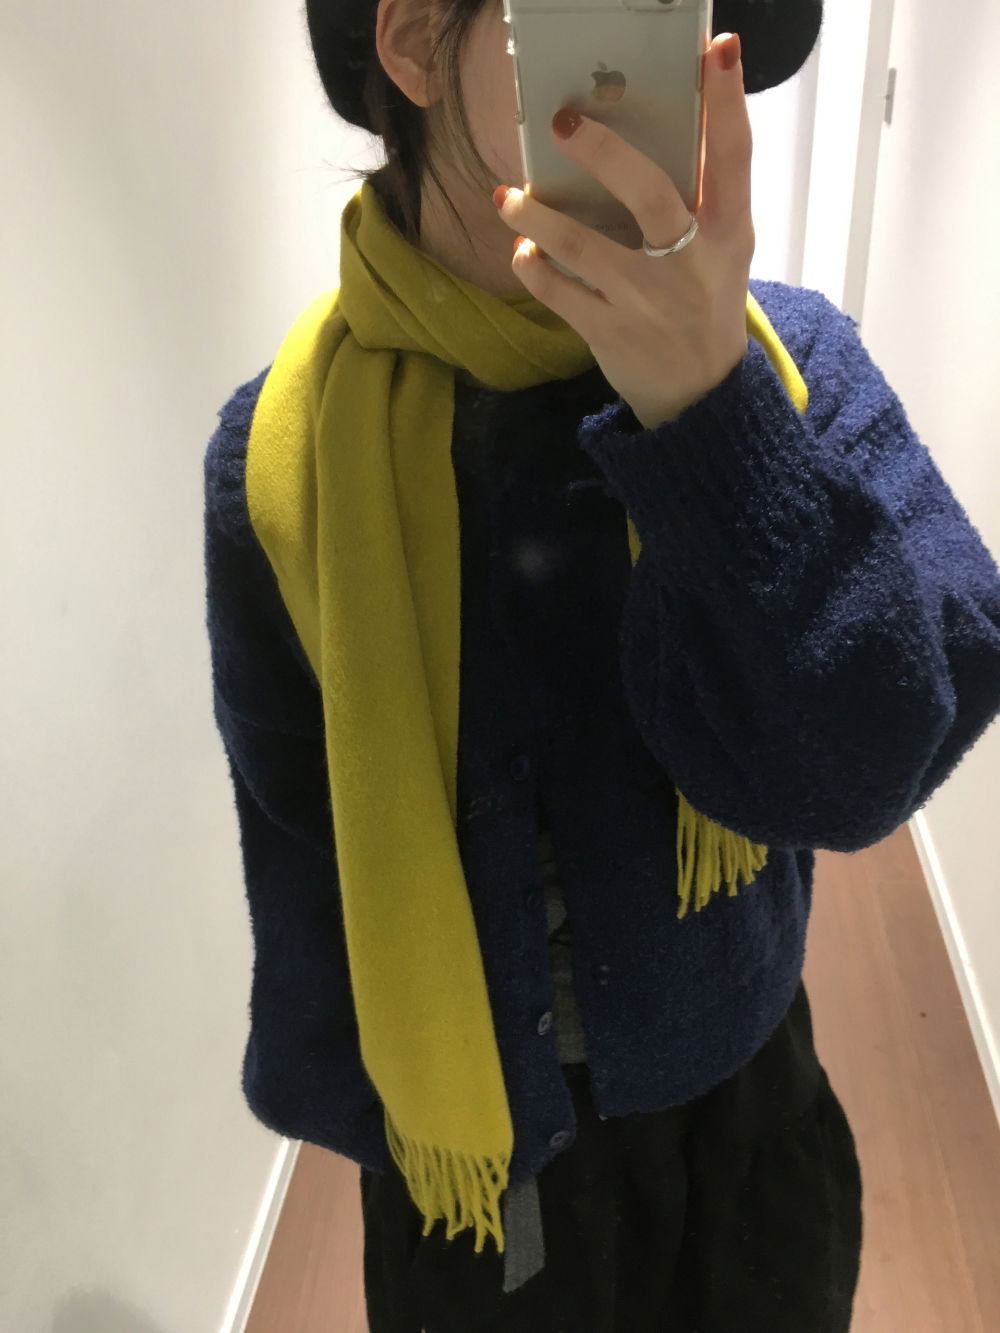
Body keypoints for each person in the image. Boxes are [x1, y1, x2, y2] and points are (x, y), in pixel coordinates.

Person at [202, 2, 1000, 1329]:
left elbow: (866, 769)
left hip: (740, 1124)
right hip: (475, 1186)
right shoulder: (284, 452)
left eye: (688, 18)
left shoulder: (793, 365)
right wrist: (386, 1115)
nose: (663, 61)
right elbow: (304, 830)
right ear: (413, 40)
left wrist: (710, 417)